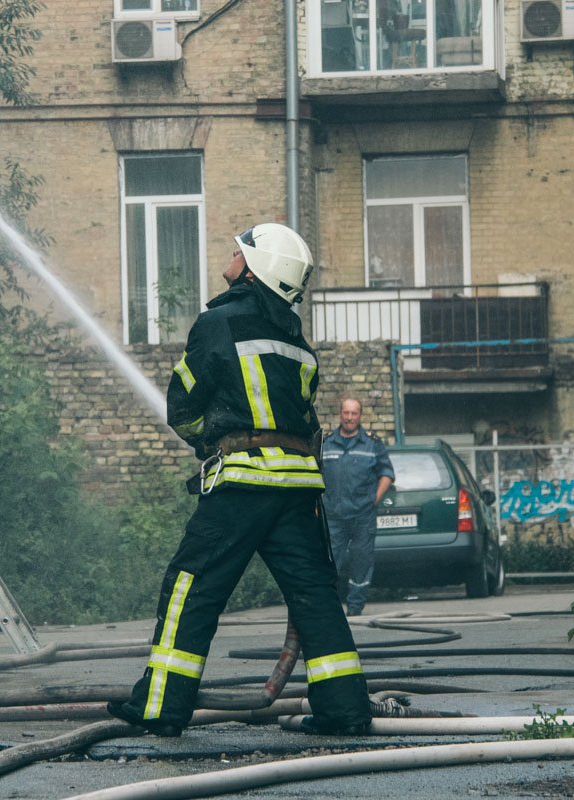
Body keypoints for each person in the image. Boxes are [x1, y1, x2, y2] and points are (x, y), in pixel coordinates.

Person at [107, 223, 372, 738]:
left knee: (191, 586)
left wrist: (210, 444)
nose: (231, 257)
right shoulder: (296, 340)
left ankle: (161, 707)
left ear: (253, 270)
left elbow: (183, 407)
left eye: (239, 252)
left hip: (244, 483)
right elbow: (304, 413)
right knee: (315, 596)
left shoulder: (217, 323)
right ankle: (345, 710)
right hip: (299, 488)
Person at [320, 397, 395, 617]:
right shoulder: (326, 443)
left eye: (354, 413)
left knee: (361, 561)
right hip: (333, 515)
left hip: (363, 515)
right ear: (340, 414)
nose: (349, 418)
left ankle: (355, 606)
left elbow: (387, 474)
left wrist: (374, 499)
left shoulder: (372, 443)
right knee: (329, 562)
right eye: (346, 413)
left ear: (360, 416)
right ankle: (329, 606)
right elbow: (315, 473)